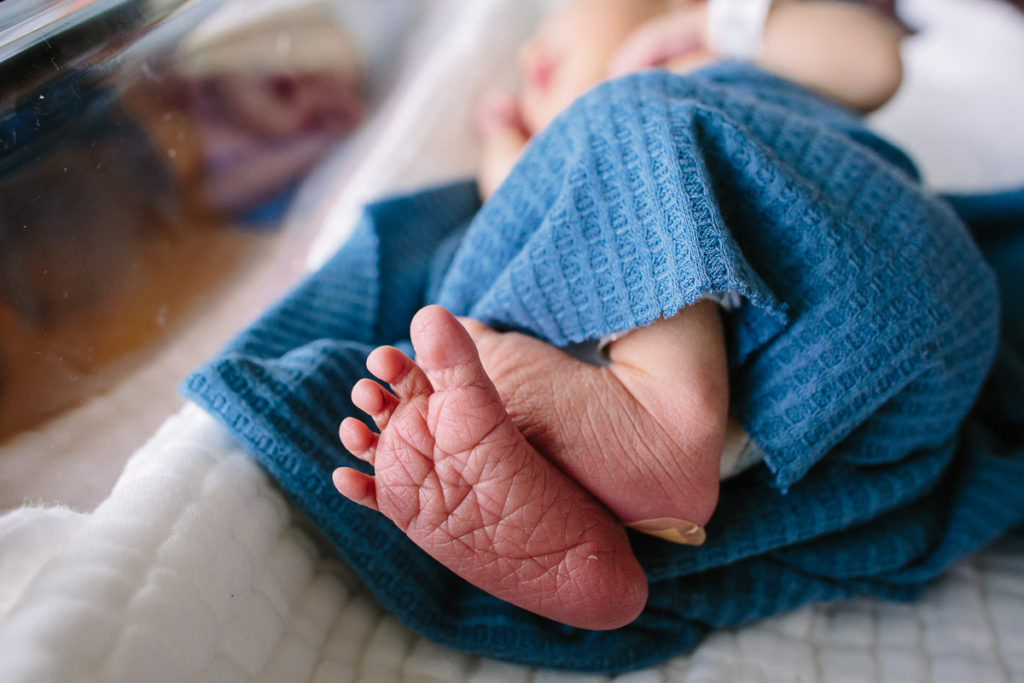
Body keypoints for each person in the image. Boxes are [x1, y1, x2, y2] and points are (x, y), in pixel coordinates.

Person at [331, 0, 905, 630]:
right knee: (543, 235)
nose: (529, 55)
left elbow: (875, 64)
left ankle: (657, 427)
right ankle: (570, 511)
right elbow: (534, 209)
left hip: (846, 286)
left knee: (620, 128)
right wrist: (509, 152)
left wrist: (714, 24)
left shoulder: (695, 70)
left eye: (557, 18)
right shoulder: (596, 150)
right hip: (791, 430)